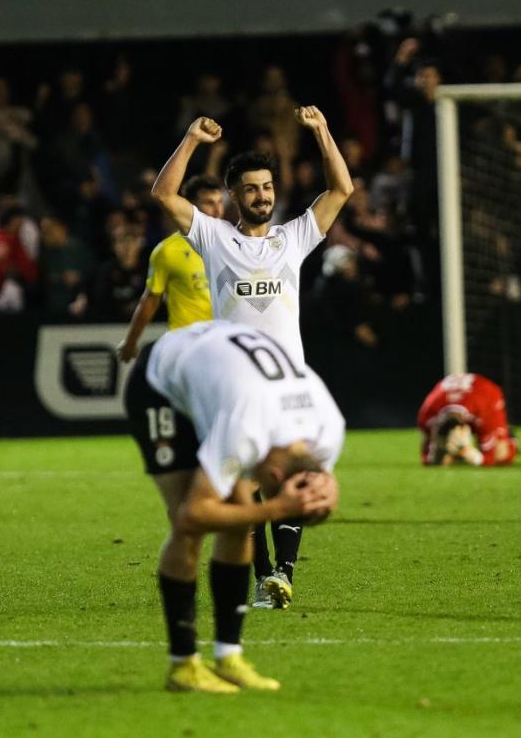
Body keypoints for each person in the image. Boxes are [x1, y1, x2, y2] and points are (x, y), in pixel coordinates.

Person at [150, 108, 353, 611]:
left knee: (293, 474)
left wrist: (323, 132)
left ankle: (283, 573)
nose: (262, 196)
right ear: (233, 195)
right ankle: (264, 576)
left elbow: (341, 189)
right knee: (244, 487)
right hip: (235, 387)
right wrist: (191, 139)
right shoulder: (215, 237)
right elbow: (164, 195)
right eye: (251, 189)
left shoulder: (293, 238)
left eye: (267, 187)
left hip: (287, 386)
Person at [124, 320, 342, 693]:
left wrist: (328, 495)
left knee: (240, 520)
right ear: (274, 474)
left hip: (223, 382)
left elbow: (323, 482)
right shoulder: (247, 430)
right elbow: (195, 514)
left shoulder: (328, 429)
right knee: (187, 526)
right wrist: (274, 509)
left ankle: (228, 656)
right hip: (162, 382)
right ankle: (183, 666)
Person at [116, 175, 223, 362]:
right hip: (185, 347)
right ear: (190, 207)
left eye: (220, 202)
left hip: (223, 345)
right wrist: (131, 342)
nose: (217, 209)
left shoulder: (234, 244)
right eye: (209, 203)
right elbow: (150, 301)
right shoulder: (168, 251)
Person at [417, 374, 518, 467]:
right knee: (443, 460)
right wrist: (440, 451)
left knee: (502, 456)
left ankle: (510, 438)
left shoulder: (483, 412)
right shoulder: (427, 416)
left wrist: (466, 451)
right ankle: (454, 452)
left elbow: (490, 459)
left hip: (486, 394)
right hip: (462, 400)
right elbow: (428, 460)